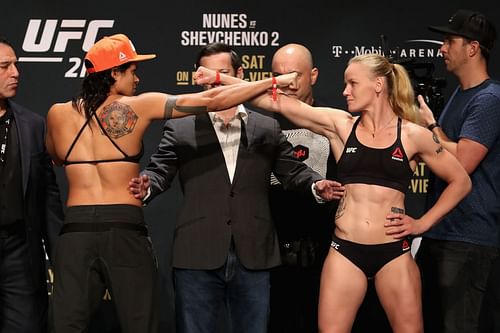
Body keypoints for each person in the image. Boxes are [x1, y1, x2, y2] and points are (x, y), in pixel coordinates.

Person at [194, 53, 471, 332]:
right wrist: (219, 78)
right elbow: (271, 100)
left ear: (377, 85)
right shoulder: (341, 125)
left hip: (393, 253)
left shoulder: (413, 135)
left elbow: (461, 181)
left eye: (352, 83)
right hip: (345, 250)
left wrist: (422, 223)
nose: (344, 91)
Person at [45, 34, 299, 333]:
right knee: (141, 324)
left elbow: (56, 158)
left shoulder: (57, 113)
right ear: (114, 73)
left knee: (66, 326)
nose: (137, 78)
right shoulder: (140, 106)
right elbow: (213, 99)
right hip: (123, 228)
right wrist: (274, 82)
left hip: (75, 231)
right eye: (132, 70)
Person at [128, 42, 343, 333]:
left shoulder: (266, 126)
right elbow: (159, 171)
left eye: (223, 74)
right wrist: (148, 185)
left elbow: (292, 172)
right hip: (197, 254)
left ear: (239, 74)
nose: (217, 83)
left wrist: (317, 186)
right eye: (210, 75)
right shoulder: (181, 127)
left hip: (254, 253)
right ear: (197, 77)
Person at [415, 9, 500, 333]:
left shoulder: (490, 98)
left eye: (450, 41)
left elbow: (463, 162)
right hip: (442, 231)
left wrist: (429, 132)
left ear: (473, 48)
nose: (442, 49)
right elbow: (448, 150)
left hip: (469, 237)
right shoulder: (460, 94)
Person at [267, 43, 340, 333]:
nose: (287, 83)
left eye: (295, 74)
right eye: (278, 76)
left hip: (324, 251)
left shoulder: (335, 124)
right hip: (270, 254)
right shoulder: (260, 124)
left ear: (314, 75)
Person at [0, 37, 64, 333]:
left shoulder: (34, 124)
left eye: (16, 65)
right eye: (5, 66)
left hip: (20, 254)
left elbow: (48, 197)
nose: (15, 73)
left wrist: (60, 257)